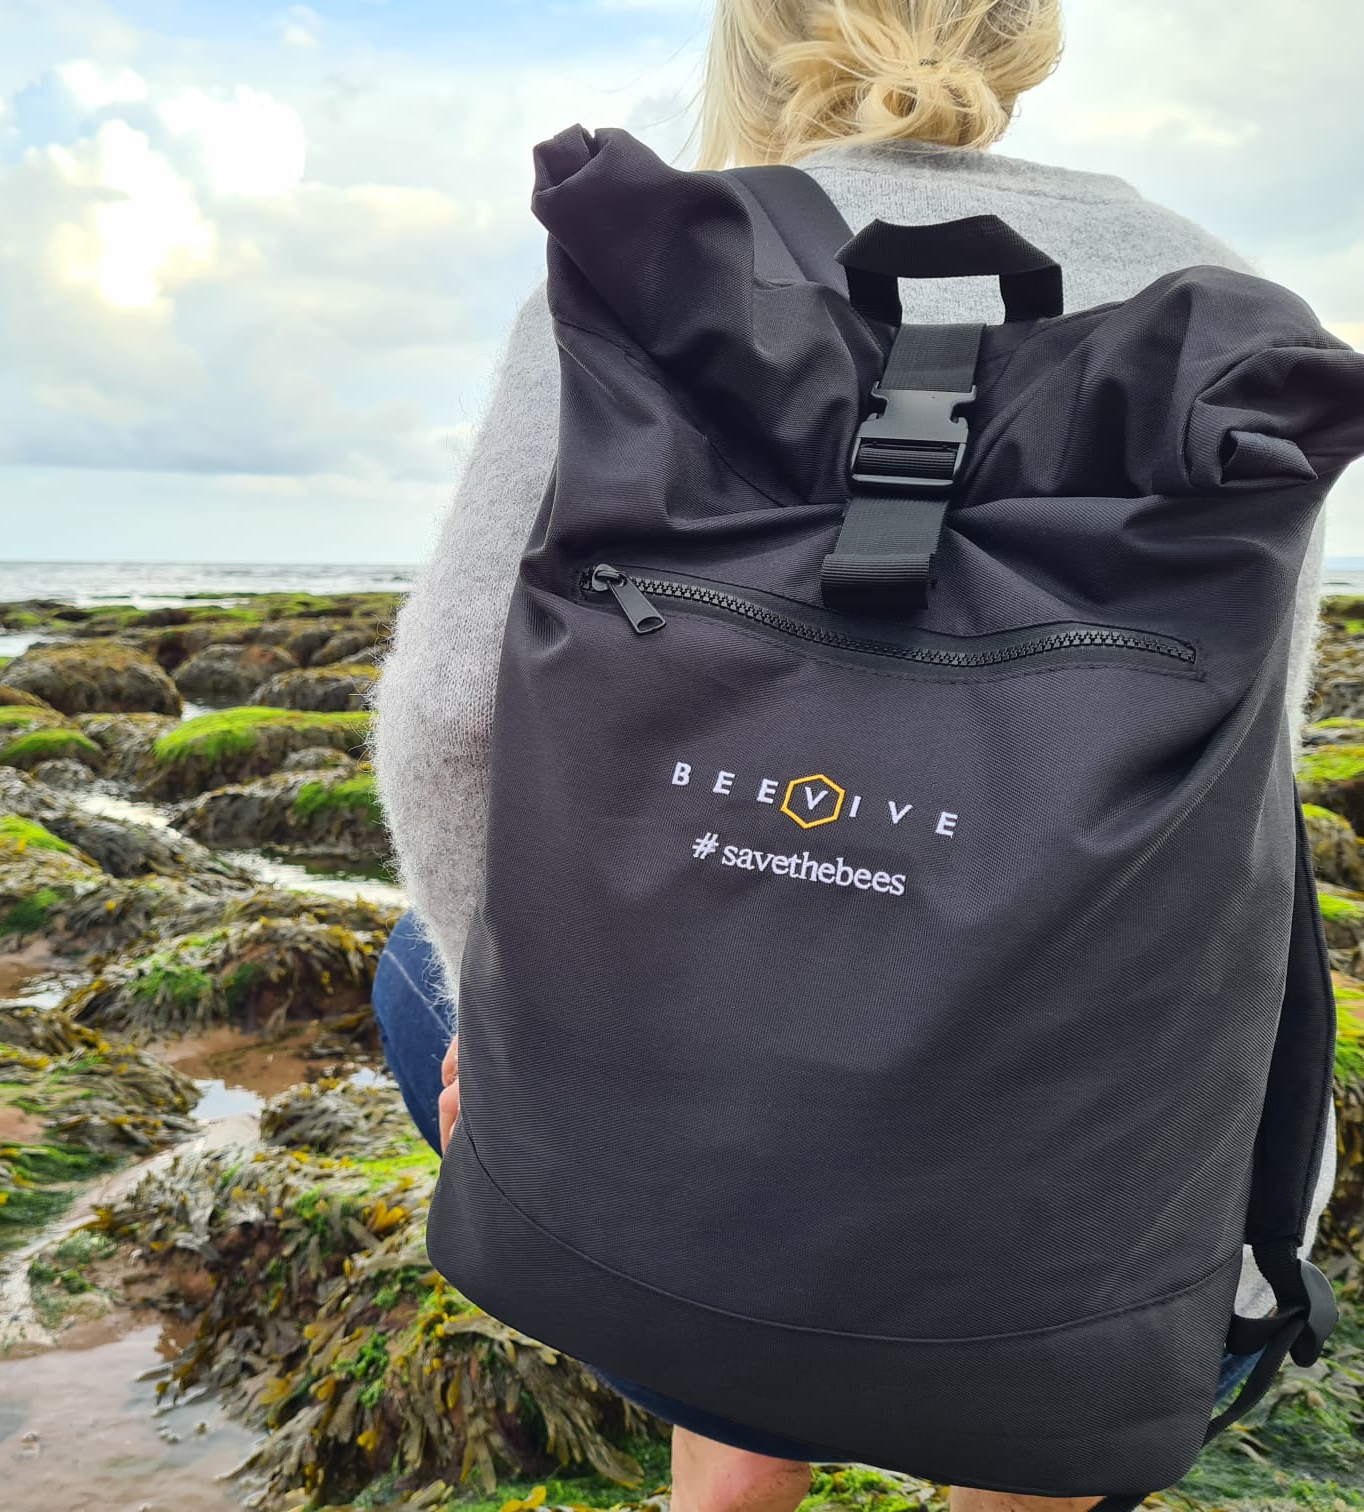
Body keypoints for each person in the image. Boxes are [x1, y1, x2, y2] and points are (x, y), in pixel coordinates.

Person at [371, 3, 1334, 1510]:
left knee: (418, 971)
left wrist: (507, 1052)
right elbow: (1238, 809)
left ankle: (737, 1442)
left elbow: (444, 716)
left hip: (666, 1191)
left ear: (753, 44)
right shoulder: (1231, 329)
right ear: (1027, 41)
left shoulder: (659, 271)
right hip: (1060, 1251)